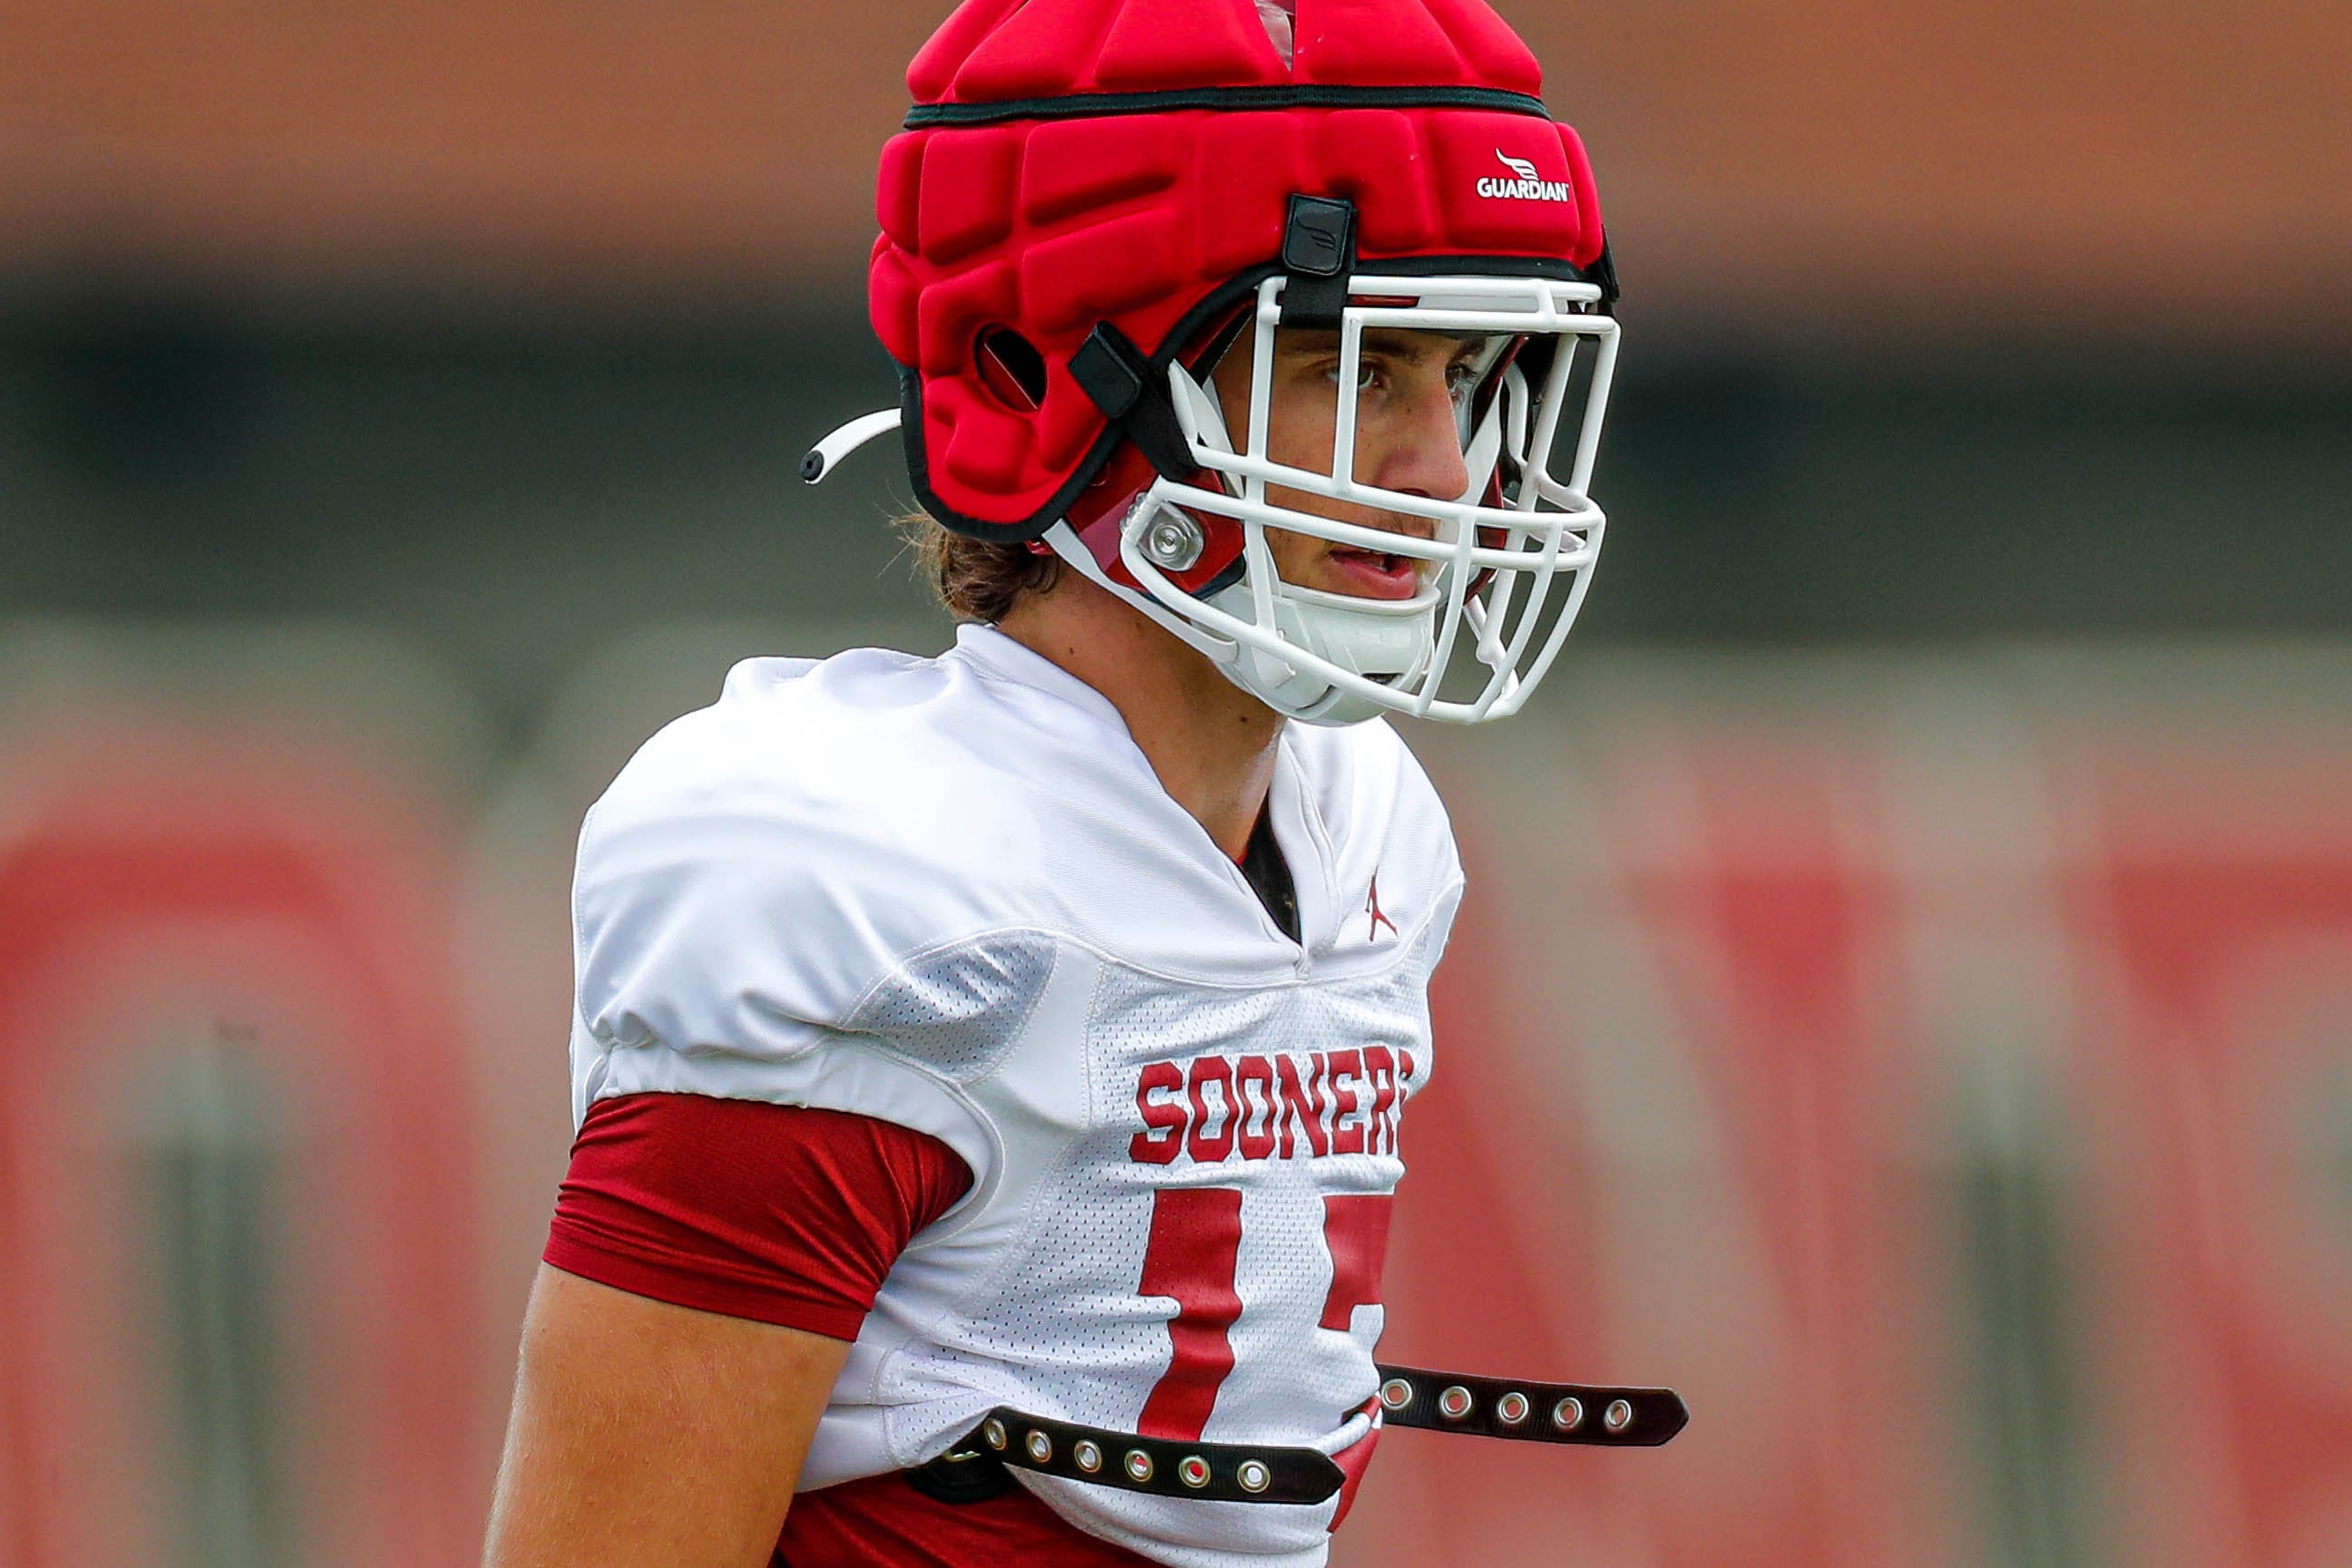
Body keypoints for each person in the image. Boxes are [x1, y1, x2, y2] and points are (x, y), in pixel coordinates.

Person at [481, 0, 1623, 1563]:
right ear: (1057, 379)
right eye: (1348, 369)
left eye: (1464, 373)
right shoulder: (859, 875)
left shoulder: (1367, 835)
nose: (1442, 465)